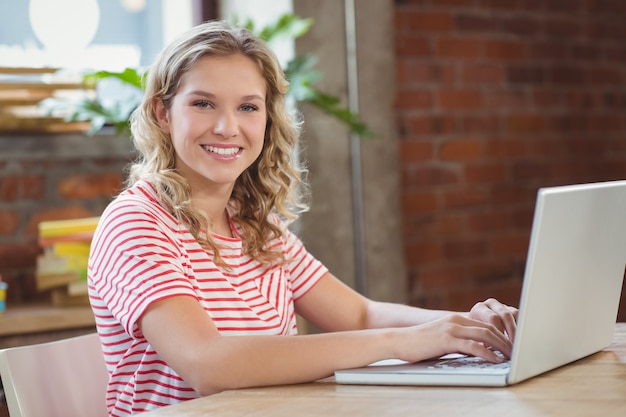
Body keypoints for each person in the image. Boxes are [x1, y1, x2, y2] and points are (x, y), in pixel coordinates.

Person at [88, 20, 518, 416]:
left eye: (248, 107)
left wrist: (465, 325)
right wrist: (400, 343)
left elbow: (360, 316)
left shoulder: (256, 225)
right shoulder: (136, 223)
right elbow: (208, 364)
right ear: (163, 114)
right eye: (203, 103)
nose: (226, 127)